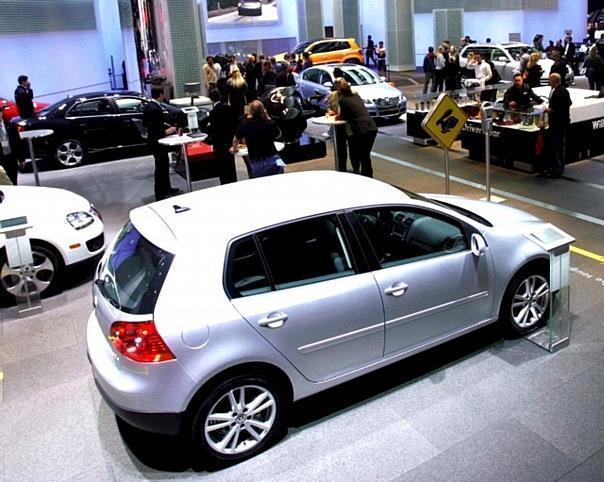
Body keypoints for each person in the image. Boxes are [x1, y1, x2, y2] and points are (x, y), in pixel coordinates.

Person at [142, 86, 180, 201]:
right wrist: (167, 131)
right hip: (157, 142)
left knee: (163, 165)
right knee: (161, 168)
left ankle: (167, 189)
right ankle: (160, 193)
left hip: (153, 141)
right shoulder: (156, 109)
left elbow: (146, 124)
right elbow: (155, 129)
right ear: (160, 94)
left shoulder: (148, 106)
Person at [335, 78, 377, 177]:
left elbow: (343, 116)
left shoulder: (343, 100)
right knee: (365, 156)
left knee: (363, 156)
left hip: (361, 129)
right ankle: (368, 176)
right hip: (371, 126)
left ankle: (366, 177)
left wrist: (336, 116)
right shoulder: (356, 96)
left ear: (339, 88)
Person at [233, 100, 282, 178]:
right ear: (263, 110)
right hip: (273, 158)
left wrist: (235, 149)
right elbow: (278, 135)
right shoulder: (269, 122)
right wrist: (268, 117)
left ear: (250, 110)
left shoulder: (245, 123)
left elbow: (236, 139)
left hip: (257, 161)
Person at [201, 89, 238, 184]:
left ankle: (224, 184)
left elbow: (204, 125)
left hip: (218, 143)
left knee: (222, 166)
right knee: (231, 164)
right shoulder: (229, 108)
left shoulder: (213, 112)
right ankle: (234, 182)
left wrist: (207, 133)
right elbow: (235, 123)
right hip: (229, 141)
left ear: (211, 99)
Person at [542, 73, 571, 177]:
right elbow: (569, 103)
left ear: (554, 81)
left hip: (557, 124)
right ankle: (560, 167)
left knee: (556, 146)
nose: (549, 82)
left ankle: (556, 169)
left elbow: (555, 110)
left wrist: (548, 110)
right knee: (560, 146)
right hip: (563, 123)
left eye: (550, 80)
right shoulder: (565, 91)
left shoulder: (557, 93)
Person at [326, 67, 348, 169]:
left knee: (348, 150)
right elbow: (330, 108)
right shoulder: (333, 95)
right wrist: (330, 111)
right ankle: (342, 168)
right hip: (339, 126)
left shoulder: (347, 97)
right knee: (341, 149)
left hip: (348, 125)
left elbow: (341, 112)